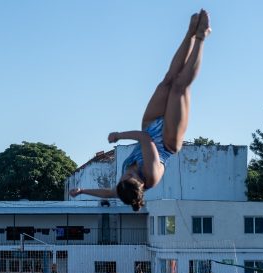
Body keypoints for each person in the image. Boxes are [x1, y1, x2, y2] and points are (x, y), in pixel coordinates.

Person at [68, 10, 212, 211]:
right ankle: (201, 37)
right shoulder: (150, 175)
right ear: (141, 184)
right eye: (130, 176)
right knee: (179, 86)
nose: (127, 174)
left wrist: (82, 191)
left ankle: (189, 33)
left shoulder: (123, 187)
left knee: (168, 80)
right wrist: (119, 135)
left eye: (125, 176)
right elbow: (146, 139)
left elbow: (109, 192)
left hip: (151, 125)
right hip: (167, 140)